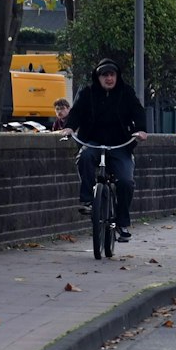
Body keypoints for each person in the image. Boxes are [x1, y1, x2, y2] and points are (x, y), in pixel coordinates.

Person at [62, 58, 150, 242]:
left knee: (126, 181)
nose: (109, 78)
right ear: (98, 77)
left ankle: (122, 223)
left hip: (120, 144)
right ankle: (87, 200)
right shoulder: (88, 93)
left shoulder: (126, 93)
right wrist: (69, 127)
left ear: (117, 76)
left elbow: (138, 111)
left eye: (112, 75)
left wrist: (141, 130)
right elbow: (76, 112)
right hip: (93, 141)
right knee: (84, 157)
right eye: (105, 75)